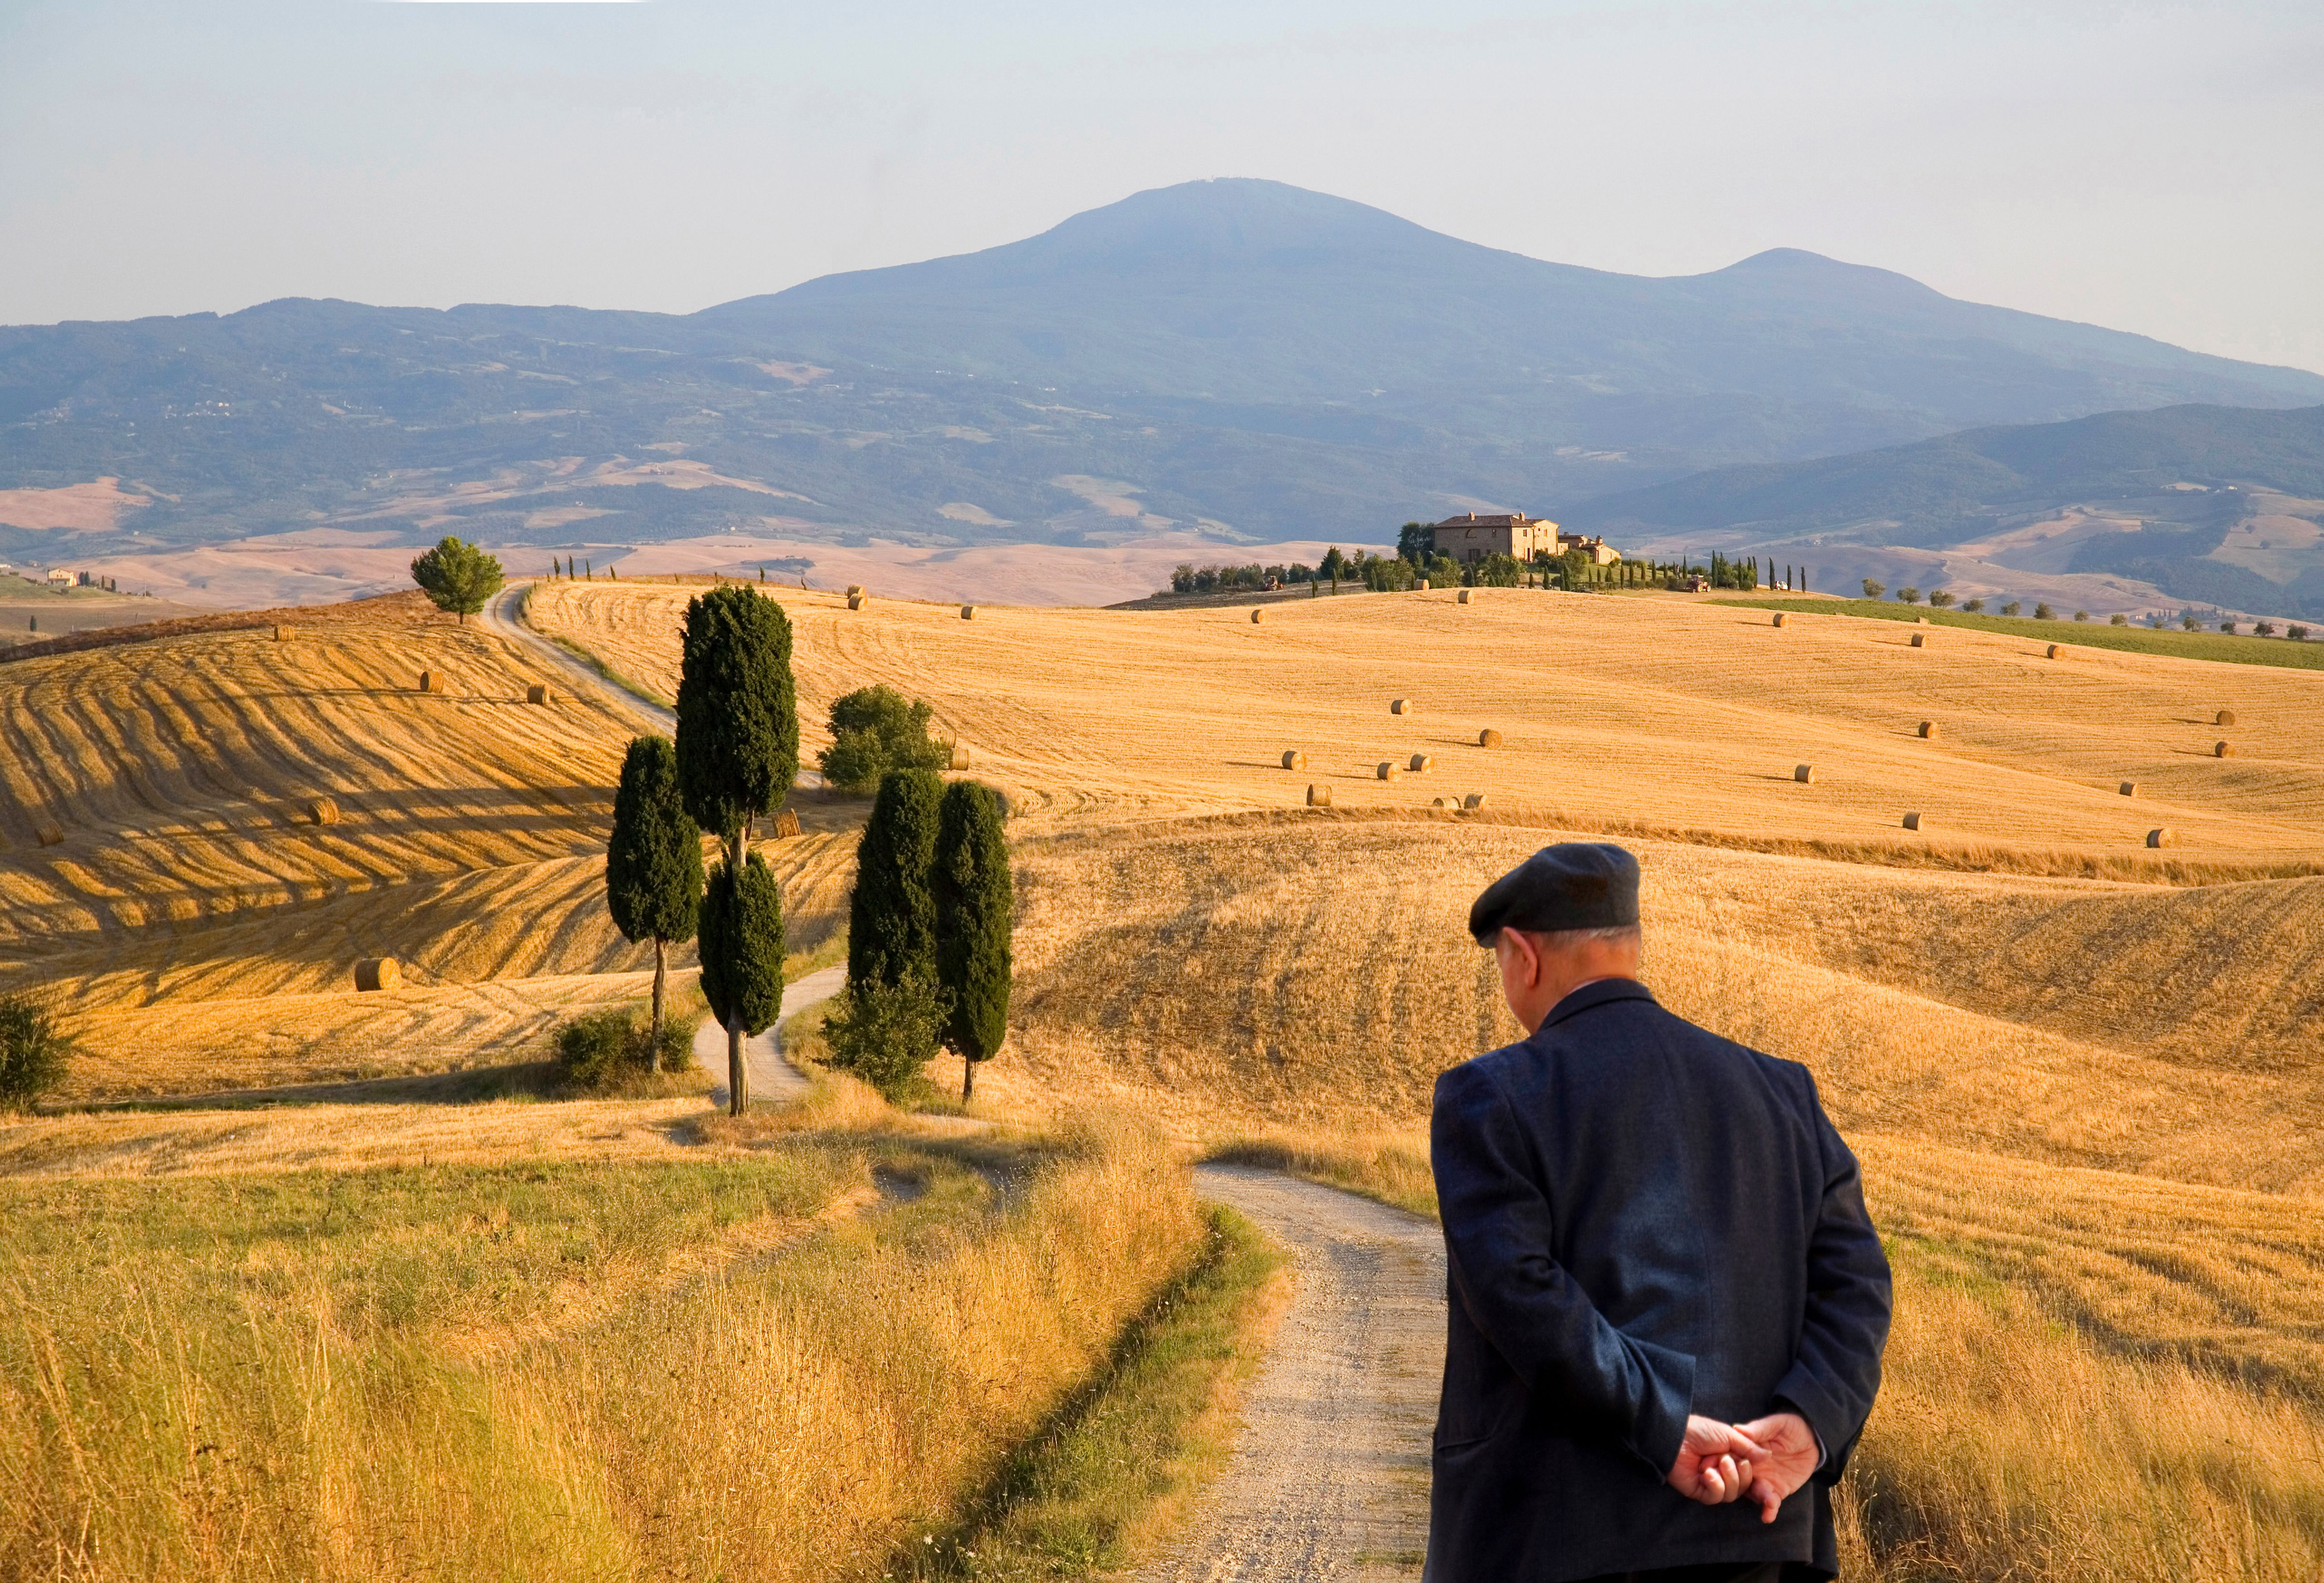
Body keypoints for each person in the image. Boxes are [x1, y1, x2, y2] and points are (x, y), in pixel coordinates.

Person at [1427, 843, 1891, 1583]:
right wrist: (1809, 1425)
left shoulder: (1491, 1097)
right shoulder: (1783, 1093)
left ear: (1522, 955)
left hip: (1552, 1542)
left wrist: (1665, 1426)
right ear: (1631, 944)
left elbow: (1523, 1296)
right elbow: (1858, 1285)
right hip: (1761, 1533)